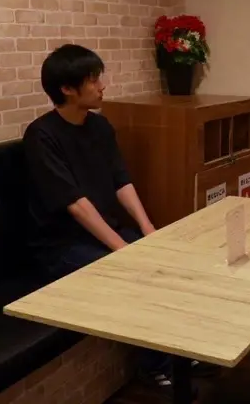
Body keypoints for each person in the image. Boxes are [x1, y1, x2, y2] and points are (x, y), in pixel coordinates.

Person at [23, 44, 207, 388]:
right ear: (67, 88)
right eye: (93, 80)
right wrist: (123, 249)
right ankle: (156, 367)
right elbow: (76, 204)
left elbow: (121, 180)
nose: (102, 86)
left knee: (169, 262)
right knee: (137, 273)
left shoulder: (100, 126)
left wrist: (148, 229)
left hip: (104, 232)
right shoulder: (42, 136)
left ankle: (181, 352)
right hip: (61, 246)